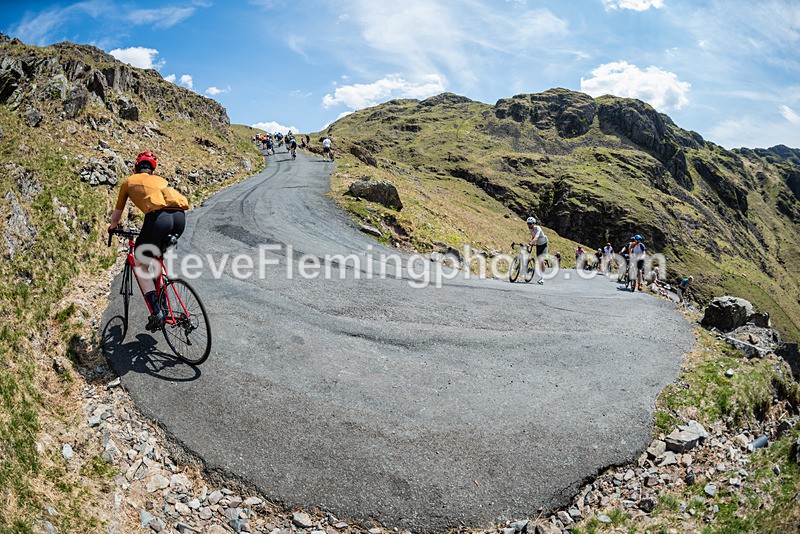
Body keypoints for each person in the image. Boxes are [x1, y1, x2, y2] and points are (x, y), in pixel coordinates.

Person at [108, 151, 188, 331]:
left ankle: (156, 312)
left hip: (158, 219)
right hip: (180, 218)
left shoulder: (129, 182)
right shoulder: (161, 180)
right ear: (152, 170)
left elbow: (117, 214)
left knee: (140, 263)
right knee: (156, 259)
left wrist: (112, 227)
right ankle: (164, 304)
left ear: (136, 168)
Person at [526, 217, 548, 285]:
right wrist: (531, 244)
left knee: (541, 260)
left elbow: (536, 237)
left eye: (530, 224)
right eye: (527, 223)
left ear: (533, 224)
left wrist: (531, 243)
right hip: (538, 245)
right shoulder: (531, 229)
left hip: (544, 244)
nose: (529, 225)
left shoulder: (538, 228)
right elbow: (533, 237)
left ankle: (542, 278)